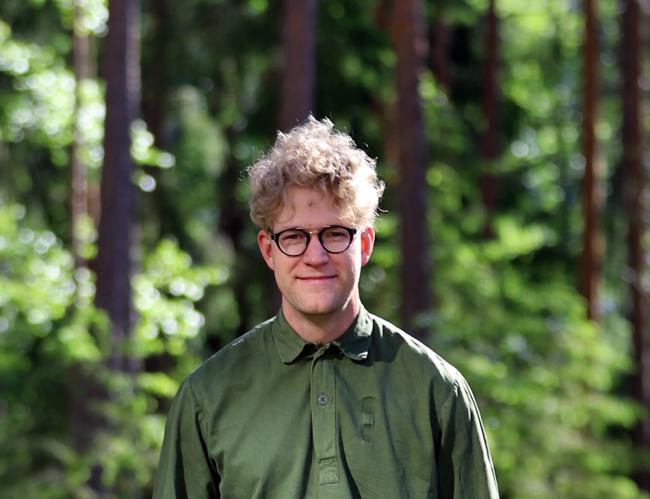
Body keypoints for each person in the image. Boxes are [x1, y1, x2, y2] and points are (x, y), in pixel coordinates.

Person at [153, 116, 499, 498]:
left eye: (335, 234)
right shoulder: (207, 396)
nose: (315, 256)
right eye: (295, 236)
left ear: (364, 244)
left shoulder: (437, 390)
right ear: (269, 250)